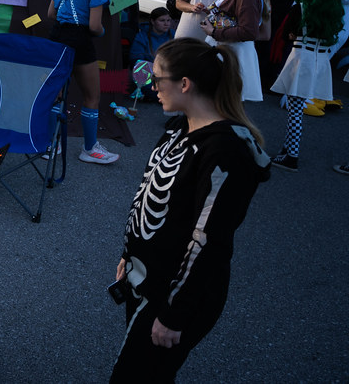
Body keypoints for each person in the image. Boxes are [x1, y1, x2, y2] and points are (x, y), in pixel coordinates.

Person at [111, 38, 270, 382]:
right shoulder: (177, 127)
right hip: (146, 276)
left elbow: (210, 241)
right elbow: (149, 192)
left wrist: (174, 314)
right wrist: (130, 253)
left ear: (185, 84)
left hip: (177, 291)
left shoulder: (225, 153)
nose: (152, 87)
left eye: (158, 80)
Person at [47, 0, 118, 164]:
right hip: (79, 42)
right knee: (92, 96)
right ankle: (89, 149)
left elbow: (51, 14)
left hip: (57, 40)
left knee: (55, 95)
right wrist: (102, 32)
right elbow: (94, 27)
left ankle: (51, 145)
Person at [269, 0, 344, 171]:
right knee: (297, 108)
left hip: (302, 59)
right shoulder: (335, 8)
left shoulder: (300, 7)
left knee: (295, 110)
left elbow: (286, 34)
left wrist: (295, 35)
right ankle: (287, 148)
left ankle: (291, 155)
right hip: (321, 60)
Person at [200, 0, 268, 102]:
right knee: (218, 102)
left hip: (235, 54)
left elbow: (249, 31)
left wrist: (214, 32)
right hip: (226, 50)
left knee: (227, 105)